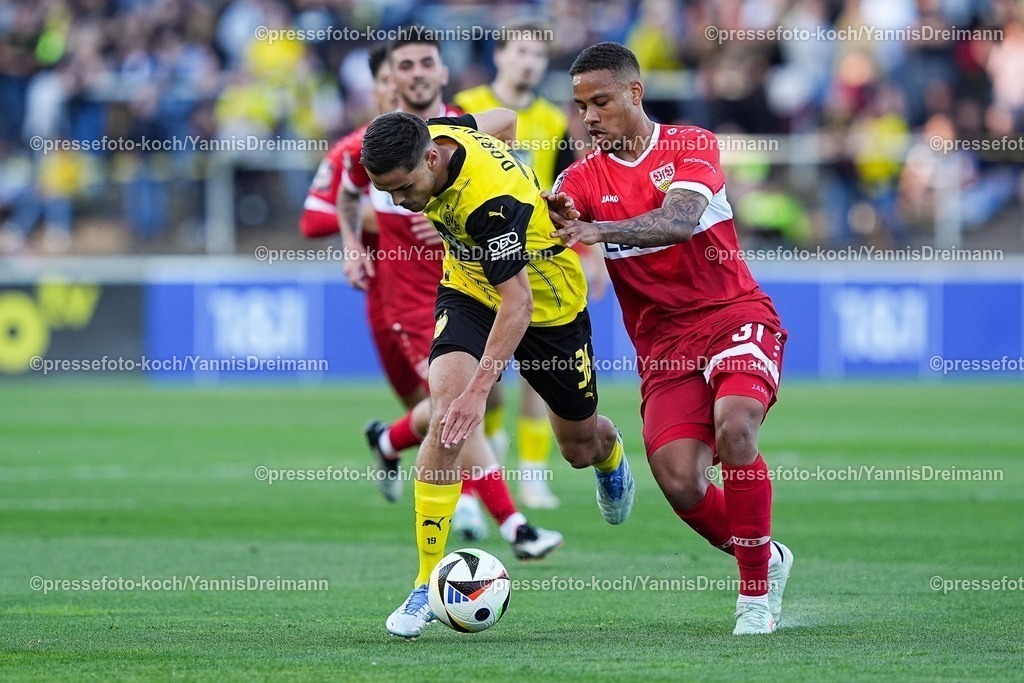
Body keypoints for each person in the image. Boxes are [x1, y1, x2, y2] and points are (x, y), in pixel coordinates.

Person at [545, 42, 794, 636]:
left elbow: (680, 221)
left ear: (635, 92)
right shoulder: (581, 177)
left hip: (733, 314)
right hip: (663, 347)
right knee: (680, 481)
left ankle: (753, 597)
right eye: (581, 107)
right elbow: (551, 217)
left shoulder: (690, 145)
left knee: (737, 427)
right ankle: (764, 554)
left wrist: (597, 228)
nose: (591, 117)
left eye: (601, 101)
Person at [360, 110, 634, 639]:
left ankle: (611, 452)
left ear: (432, 160)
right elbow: (505, 121)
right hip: (467, 288)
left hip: (547, 305)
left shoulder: (489, 203)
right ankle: (423, 585)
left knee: (578, 444)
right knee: (447, 418)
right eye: (386, 192)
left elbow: (519, 305)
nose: (399, 201)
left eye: (404, 187)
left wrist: (479, 392)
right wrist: (537, 186)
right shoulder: (439, 131)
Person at [335, 33, 563, 565]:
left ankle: (390, 442)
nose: (414, 74)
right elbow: (335, 201)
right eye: (403, 66)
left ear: (442, 73)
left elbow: (505, 133)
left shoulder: (460, 125)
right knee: (455, 407)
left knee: (473, 404)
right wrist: (354, 242)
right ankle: (513, 524)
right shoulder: (368, 148)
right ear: (387, 78)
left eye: (426, 64)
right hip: (412, 298)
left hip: (484, 279)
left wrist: (483, 210)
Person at [454, 21, 580, 510]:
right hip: (483, 253)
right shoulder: (470, 103)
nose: (530, 61)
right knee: (487, 374)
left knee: (539, 373)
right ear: (501, 55)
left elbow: (566, 189)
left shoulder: (552, 118)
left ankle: (532, 474)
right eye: (521, 51)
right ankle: (486, 460)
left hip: (539, 253)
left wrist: (585, 252)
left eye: (538, 55)